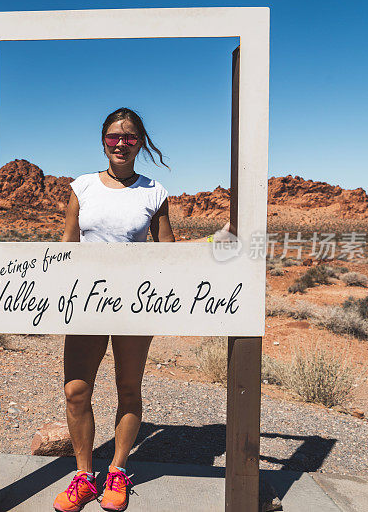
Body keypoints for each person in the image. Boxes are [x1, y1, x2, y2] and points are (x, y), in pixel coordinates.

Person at [53, 107, 228, 512]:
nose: (120, 144)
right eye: (113, 137)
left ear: (140, 143)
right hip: (86, 303)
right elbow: (67, 245)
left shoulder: (154, 192)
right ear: (102, 140)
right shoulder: (81, 187)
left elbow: (166, 250)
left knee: (128, 389)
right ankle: (83, 476)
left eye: (129, 138)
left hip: (136, 305)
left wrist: (211, 250)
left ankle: (117, 470)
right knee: (76, 391)